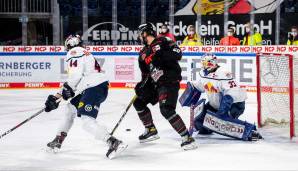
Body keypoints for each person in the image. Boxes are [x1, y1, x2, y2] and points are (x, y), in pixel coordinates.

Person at [44, 35, 127, 159]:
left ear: (70, 44)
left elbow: (75, 77)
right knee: (70, 109)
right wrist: (57, 97)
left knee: (87, 121)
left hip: (94, 87)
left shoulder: (74, 51)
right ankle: (58, 139)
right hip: (92, 87)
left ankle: (113, 142)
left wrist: (64, 92)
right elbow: (76, 80)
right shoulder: (84, 53)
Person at [133, 23, 197, 150]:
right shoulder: (142, 53)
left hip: (169, 80)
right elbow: (145, 74)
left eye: (141, 34)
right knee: (138, 102)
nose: (139, 37)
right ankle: (150, 129)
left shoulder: (163, 41)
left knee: (166, 109)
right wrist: (142, 85)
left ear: (145, 33)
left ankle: (187, 138)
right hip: (155, 83)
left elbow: (178, 53)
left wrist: (161, 56)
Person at [179, 53, 262, 141]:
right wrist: (192, 89)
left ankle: (250, 131)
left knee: (221, 122)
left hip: (234, 105)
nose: (203, 65)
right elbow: (201, 86)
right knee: (200, 123)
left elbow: (232, 92)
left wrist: (223, 111)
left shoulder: (223, 73)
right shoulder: (203, 73)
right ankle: (211, 126)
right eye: (202, 63)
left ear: (212, 63)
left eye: (205, 63)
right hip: (215, 104)